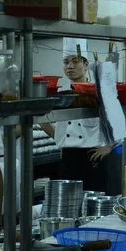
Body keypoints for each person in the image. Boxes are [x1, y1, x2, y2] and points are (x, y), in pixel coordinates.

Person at [42, 52, 114, 194]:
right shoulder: (60, 93)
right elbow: (42, 120)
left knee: (94, 202)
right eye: (66, 62)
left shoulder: (99, 91)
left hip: (93, 156)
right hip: (68, 157)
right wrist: (60, 138)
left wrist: (109, 147)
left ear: (86, 65)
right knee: (68, 202)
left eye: (75, 61)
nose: (70, 66)